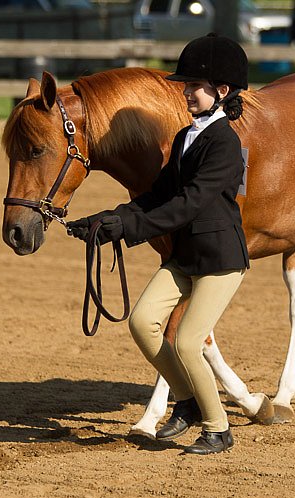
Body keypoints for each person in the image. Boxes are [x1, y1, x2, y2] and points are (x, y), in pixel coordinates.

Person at [66, 33, 250, 455]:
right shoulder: (187, 136)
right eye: (185, 85)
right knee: (143, 324)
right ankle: (186, 403)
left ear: (221, 92)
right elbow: (155, 195)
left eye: (193, 86)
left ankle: (218, 427)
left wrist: (130, 230)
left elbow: (189, 204)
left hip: (220, 260)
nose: (185, 92)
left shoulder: (226, 143)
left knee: (186, 341)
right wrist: (105, 220)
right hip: (185, 256)